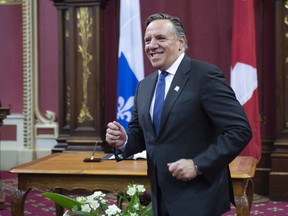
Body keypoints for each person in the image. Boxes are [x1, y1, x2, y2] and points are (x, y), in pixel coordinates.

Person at [106, 13, 252, 216]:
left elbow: (240, 130)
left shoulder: (204, 76)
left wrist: (198, 164)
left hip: (199, 194)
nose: (152, 45)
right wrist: (124, 140)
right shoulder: (144, 86)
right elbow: (142, 135)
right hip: (160, 194)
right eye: (147, 40)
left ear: (181, 42)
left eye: (160, 38)